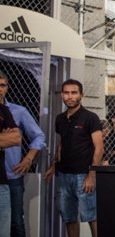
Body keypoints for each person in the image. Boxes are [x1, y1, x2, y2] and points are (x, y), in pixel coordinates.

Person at [45, 79, 103, 237]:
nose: (70, 96)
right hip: (63, 176)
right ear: (62, 95)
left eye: (74, 93)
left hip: (83, 175)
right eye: (66, 93)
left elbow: (99, 147)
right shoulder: (60, 119)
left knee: (91, 216)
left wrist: (91, 175)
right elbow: (62, 144)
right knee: (69, 218)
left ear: (81, 95)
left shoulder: (90, 118)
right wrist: (54, 165)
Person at [0, 71, 46, 237]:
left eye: (2, 85)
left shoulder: (17, 111)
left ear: (7, 88)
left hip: (12, 174)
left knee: (16, 221)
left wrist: (29, 158)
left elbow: (38, 135)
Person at [0, 92, 20, 237]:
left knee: (4, 231)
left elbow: (16, 138)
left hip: (1, 181)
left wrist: (8, 138)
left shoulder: (3, 110)